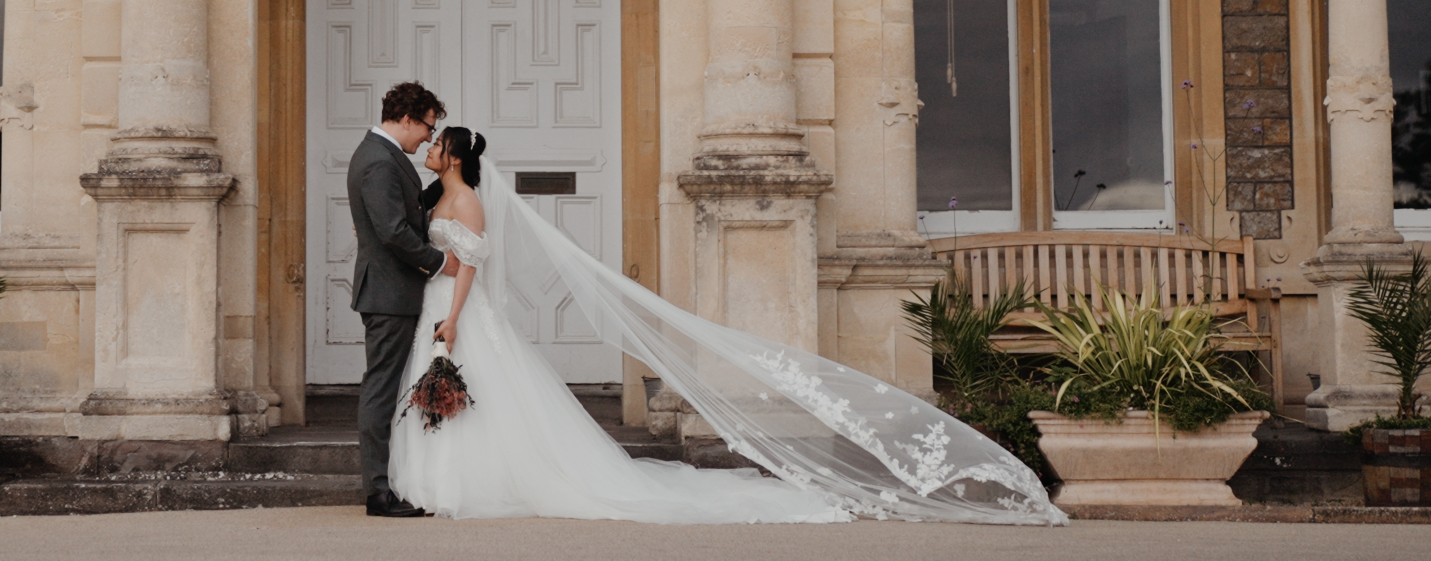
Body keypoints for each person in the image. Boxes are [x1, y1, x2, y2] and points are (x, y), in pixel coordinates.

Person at [386, 125, 1067, 526]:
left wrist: (451, 320)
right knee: (462, 398)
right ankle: (436, 483)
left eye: (438, 143)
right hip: (438, 310)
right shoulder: (439, 193)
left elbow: (470, 263)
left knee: (479, 395)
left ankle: (467, 484)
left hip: (456, 313)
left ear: (456, 156)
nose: (432, 149)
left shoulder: (468, 199)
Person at [346, 81, 447, 518]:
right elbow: (393, 231)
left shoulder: (383, 156)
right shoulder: (378, 162)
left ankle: (387, 484)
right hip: (388, 293)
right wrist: (440, 262)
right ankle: (377, 493)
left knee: (386, 387)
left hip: (392, 291)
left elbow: (405, 211)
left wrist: (448, 181)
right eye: (427, 126)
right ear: (406, 118)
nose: (428, 136)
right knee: (381, 390)